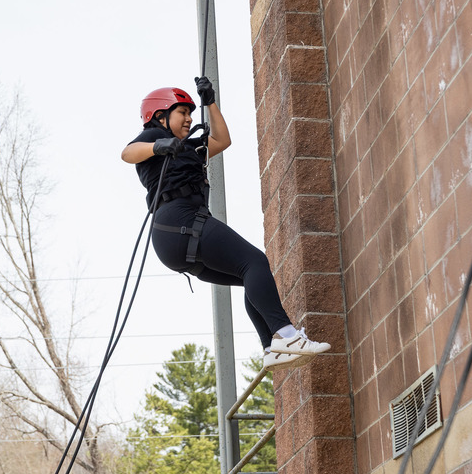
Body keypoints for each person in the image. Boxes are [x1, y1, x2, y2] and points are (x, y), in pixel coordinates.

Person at [121, 77, 330, 371]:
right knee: (254, 262)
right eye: (183, 112)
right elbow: (127, 153)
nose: (189, 119)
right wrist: (160, 146)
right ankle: (287, 336)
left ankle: (272, 348)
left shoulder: (188, 148)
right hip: (178, 221)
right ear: (160, 116)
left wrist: (210, 103)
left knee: (249, 275)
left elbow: (222, 141)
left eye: (191, 113)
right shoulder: (153, 137)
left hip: (176, 239)